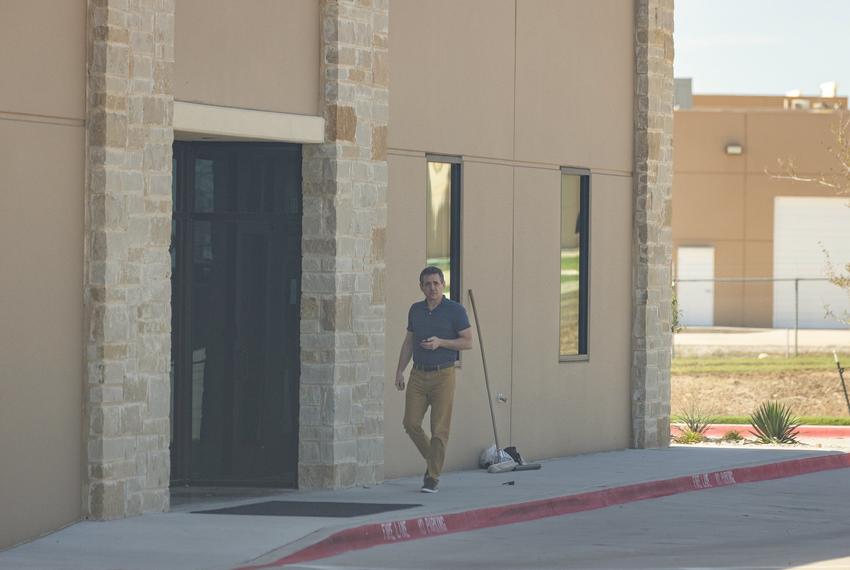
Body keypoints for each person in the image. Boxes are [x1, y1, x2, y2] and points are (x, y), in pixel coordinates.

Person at [395, 266, 473, 493]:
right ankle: (434, 460)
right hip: (418, 374)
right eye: (427, 284)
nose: (432, 288)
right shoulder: (416, 310)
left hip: (443, 374)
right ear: (421, 287)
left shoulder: (455, 310)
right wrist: (399, 370)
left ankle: (432, 476)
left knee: (439, 428)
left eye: (436, 284)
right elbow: (409, 342)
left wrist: (441, 342)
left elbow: (467, 342)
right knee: (410, 423)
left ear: (443, 285)